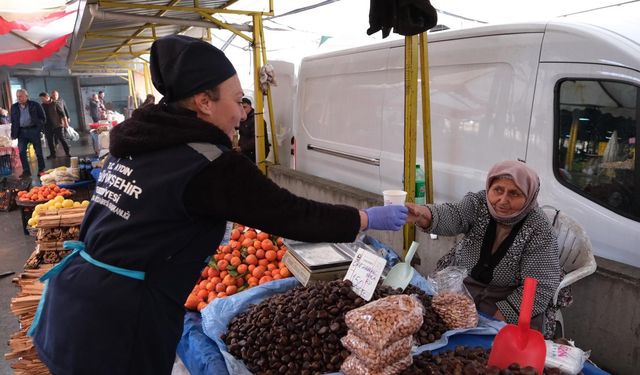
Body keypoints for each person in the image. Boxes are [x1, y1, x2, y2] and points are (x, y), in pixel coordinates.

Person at [30, 35, 408, 375]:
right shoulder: (206, 163)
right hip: (121, 323)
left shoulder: (138, 142)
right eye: (237, 99)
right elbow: (294, 214)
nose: (244, 111)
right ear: (204, 102)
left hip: (77, 301)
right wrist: (364, 217)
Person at [407, 160, 561, 336]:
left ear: (529, 197)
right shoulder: (479, 203)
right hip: (465, 287)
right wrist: (422, 214)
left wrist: (496, 322)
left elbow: (539, 286)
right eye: (498, 190)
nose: (503, 201)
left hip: (508, 297)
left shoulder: (539, 229)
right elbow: (455, 214)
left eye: (514, 194)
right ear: (489, 188)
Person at [10, 89, 46, 178]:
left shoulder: (35, 105)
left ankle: (41, 169)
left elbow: (43, 118)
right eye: (17, 96)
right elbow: (13, 121)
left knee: (38, 151)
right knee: (21, 152)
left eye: (21, 96)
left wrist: (38, 128)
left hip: (33, 130)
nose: (19, 98)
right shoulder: (14, 107)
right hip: (21, 132)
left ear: (26, 96)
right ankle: (26, 171)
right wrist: (13, 133)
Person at [237, 97, 270, 163]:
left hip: (255, 153)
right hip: (246, 152)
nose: (242, 110)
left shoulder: (257, 120)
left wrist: (241, 148)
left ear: (250, 106)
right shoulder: (243, 118)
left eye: (245, 107)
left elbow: (256, 139)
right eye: (241, 108)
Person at [38, 92, 71, 158]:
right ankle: (53, 154)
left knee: (62, 139)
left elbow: (63, 114)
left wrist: (66, 123)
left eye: (42, 98)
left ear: (47, 97)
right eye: (41, 99)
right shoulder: (42, 105)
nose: (41, 100)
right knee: (50, 141)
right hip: (47, 126)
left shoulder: (55, 103)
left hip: (57, 125)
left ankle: (67, 152)